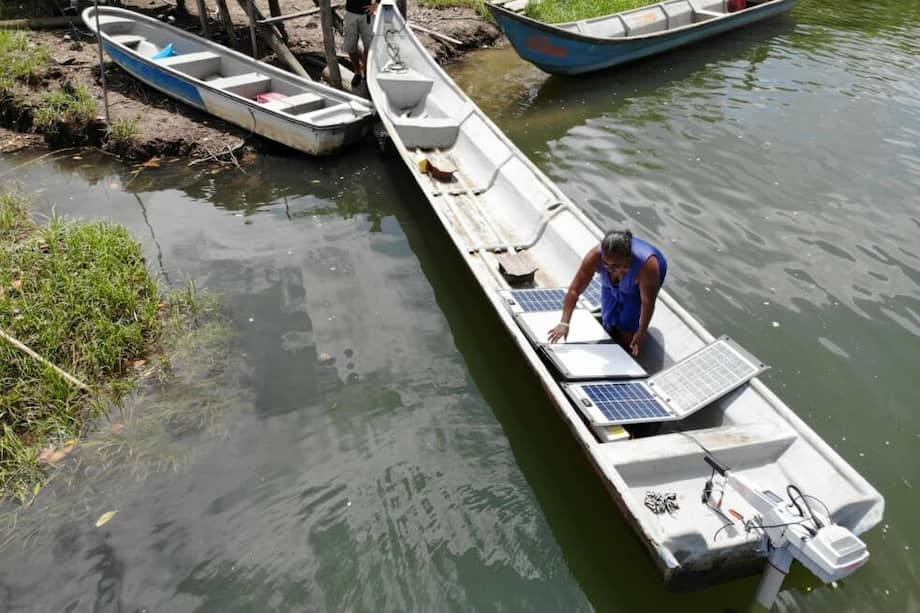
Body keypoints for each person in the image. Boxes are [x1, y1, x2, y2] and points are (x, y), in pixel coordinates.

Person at [548, 229, 667, 357]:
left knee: (628, 334)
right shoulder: (595, 256)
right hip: (614, 278)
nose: (610, 269)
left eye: (615, 265)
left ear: (628, 260)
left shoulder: (648, 266)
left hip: (640, 281)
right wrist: (564, 323)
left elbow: (647, 303)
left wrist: (641, 332)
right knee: (608, 320)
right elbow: (574, 291)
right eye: (605, 263)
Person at [344, 0, 378, 88]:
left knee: (369, 47)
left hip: (367, 14)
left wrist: (376, 4)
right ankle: (357, 72)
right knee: (350, 47)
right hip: (350, 14)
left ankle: (366, 73)